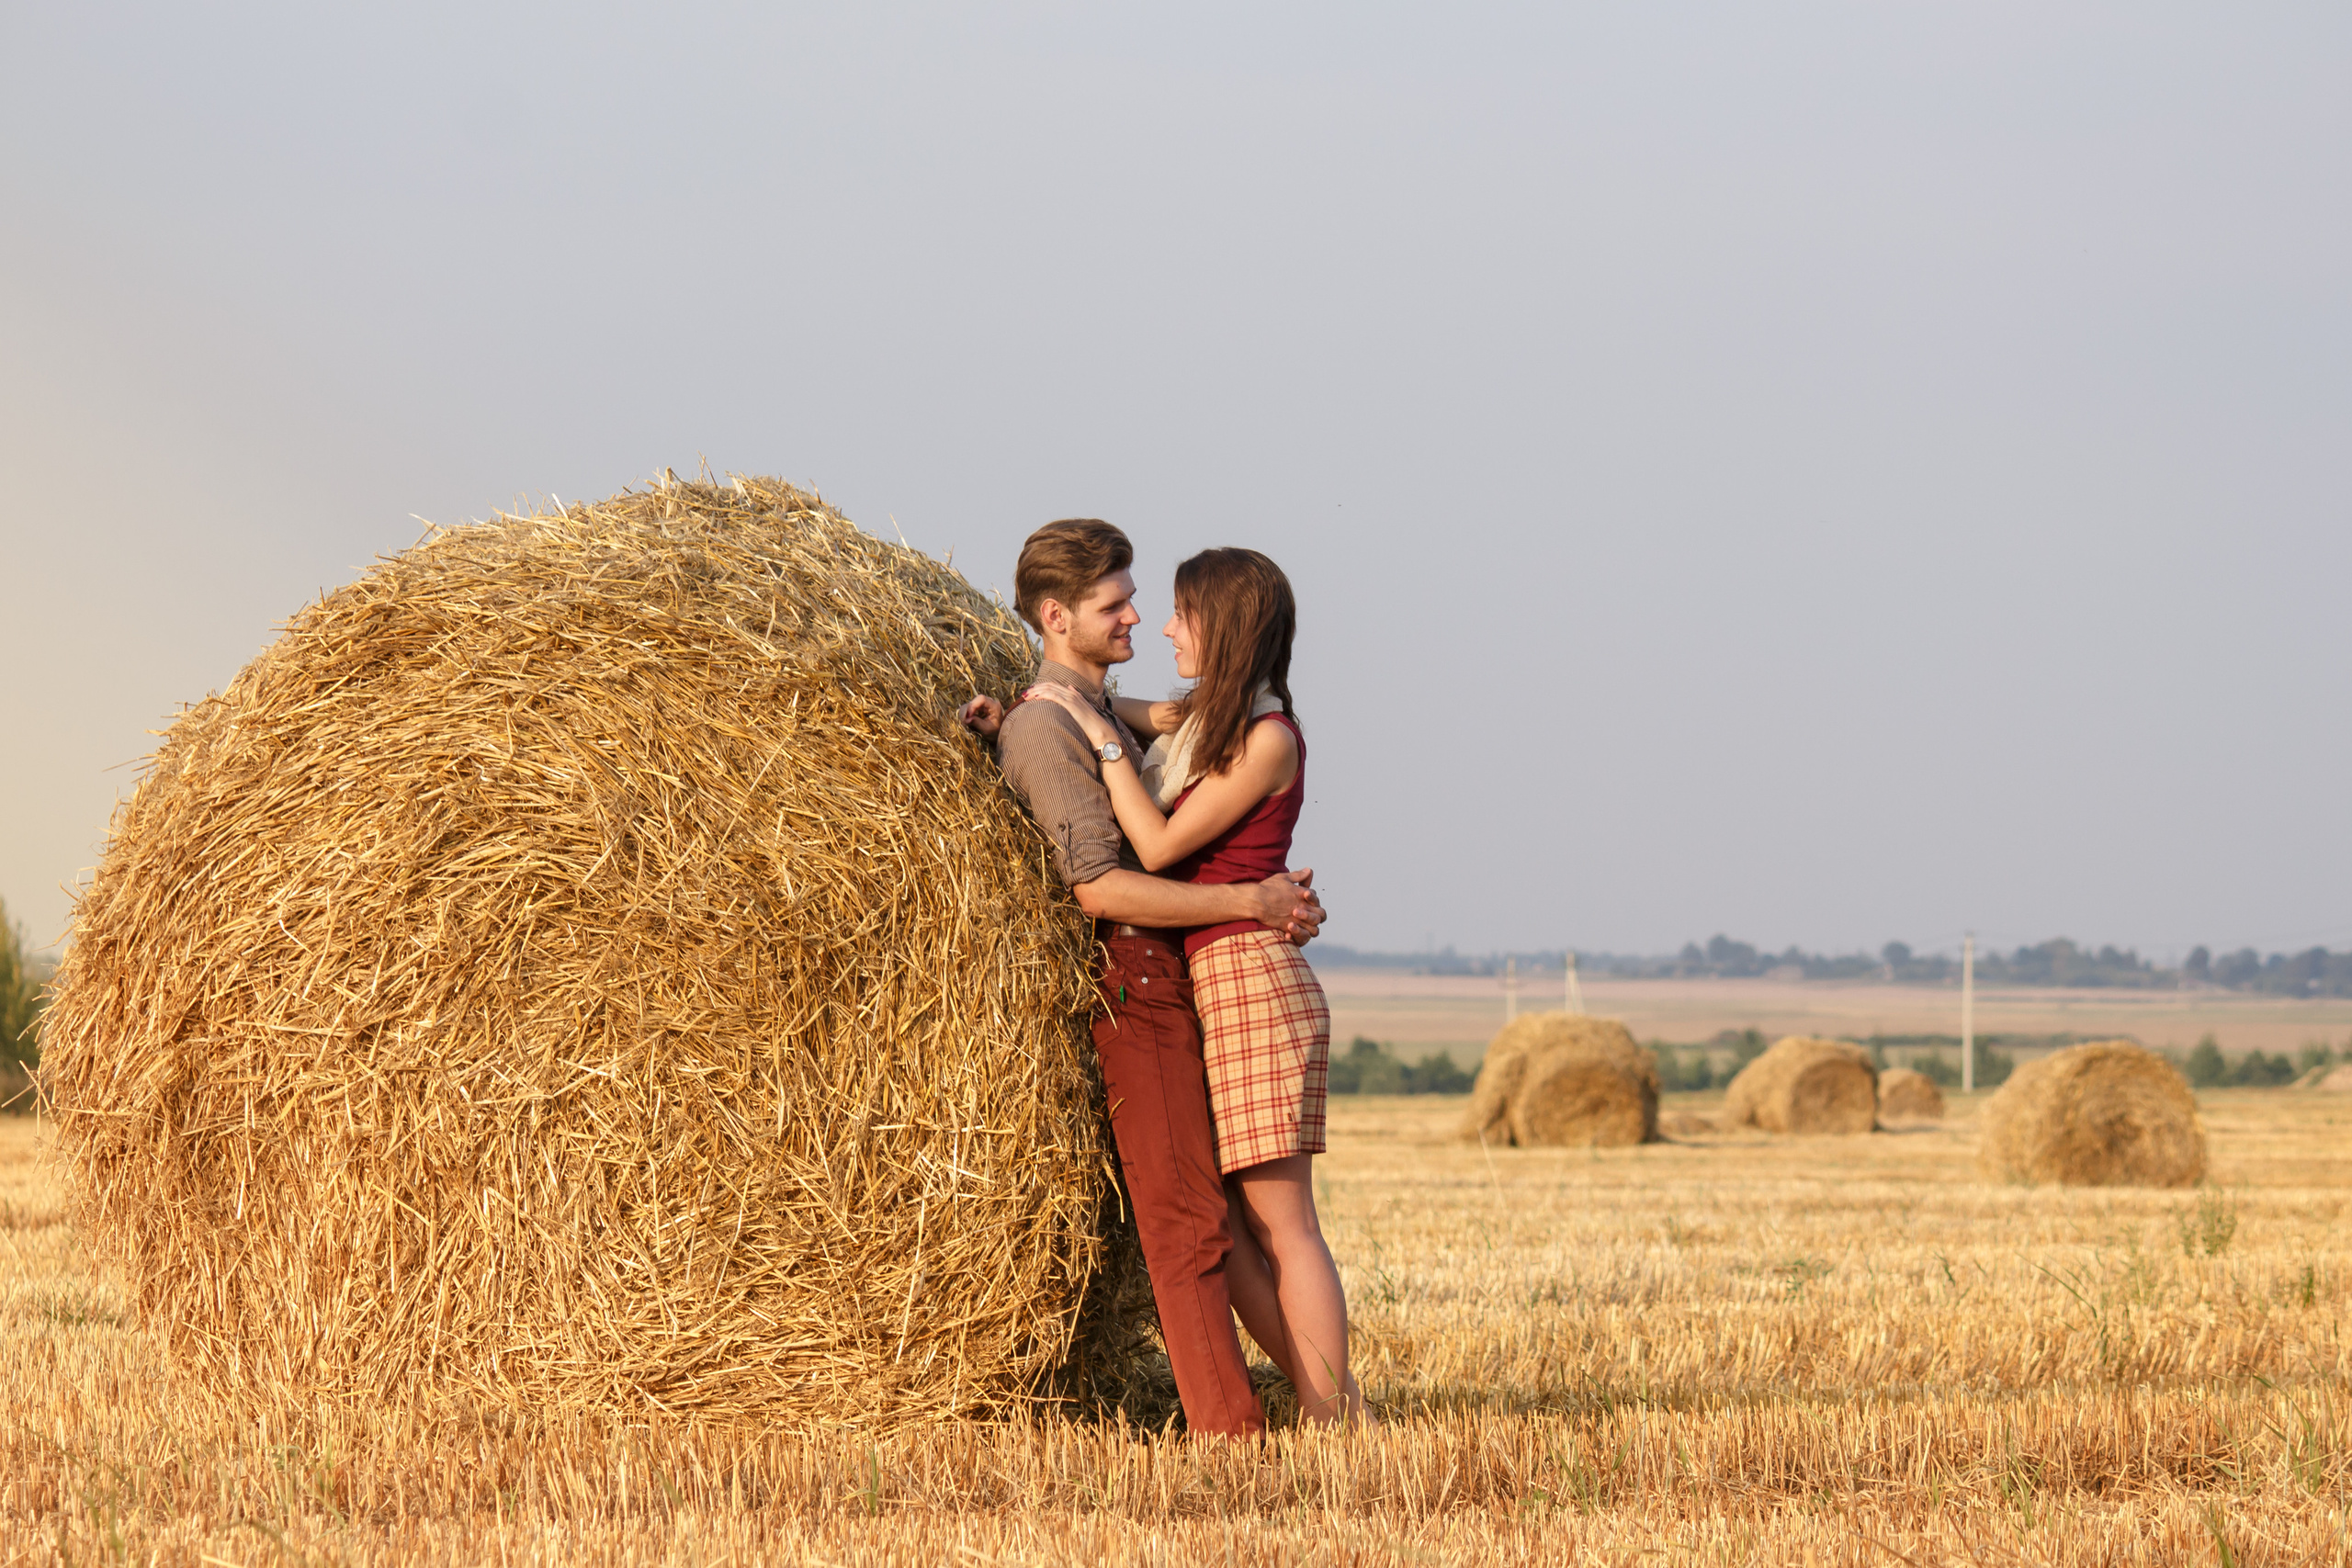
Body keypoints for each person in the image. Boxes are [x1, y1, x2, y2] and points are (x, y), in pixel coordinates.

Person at [968, 519, 1324, 1440]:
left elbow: (1144, 734)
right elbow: (1099, 881)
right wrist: (1251, 899)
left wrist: (1037, 710)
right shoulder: (1061, 723)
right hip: (1146, 968)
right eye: (1116, 604)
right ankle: (1267, 1421)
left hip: (1196, 974)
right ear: (1057, 616)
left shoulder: (1181, 724)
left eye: (1155, 606)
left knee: (1223, 1219)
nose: (1143, 623)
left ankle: (1324, 1414)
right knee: (1200, 1220)